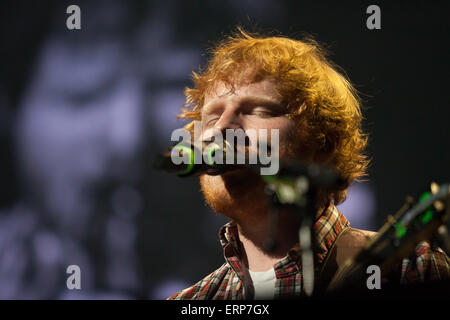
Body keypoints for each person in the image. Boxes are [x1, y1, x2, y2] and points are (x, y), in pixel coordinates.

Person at [168, 29, 450, 300]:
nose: (221, 130)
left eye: (258, 110)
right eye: (212, 117)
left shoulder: (410, 269)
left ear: (323, 141)